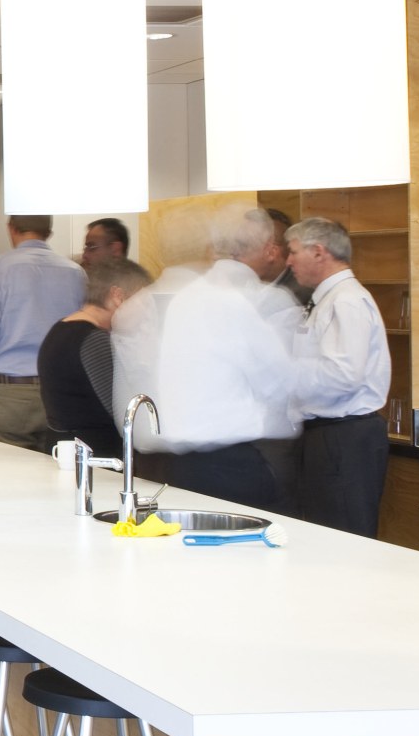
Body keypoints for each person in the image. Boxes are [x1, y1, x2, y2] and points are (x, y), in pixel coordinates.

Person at [116, 205, 305, 513]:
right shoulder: (234, 302)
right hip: (234, 463)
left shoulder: (177, 303)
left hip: (180, 464)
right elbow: (279, 382)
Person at [286, 217, 393, 536]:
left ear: (319, 252)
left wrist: (280, 373)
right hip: (330, 436)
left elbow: (342, 375)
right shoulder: (330, 299)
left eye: (293, 251)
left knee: (344, 536)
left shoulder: (346, 300)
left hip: (344, 436)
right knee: (325, 533)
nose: (288, 261)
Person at [0, 215, 86, 451]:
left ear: (11, 229)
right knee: (57, 478)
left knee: (6, 478)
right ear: (49, 231)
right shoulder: (75, 273)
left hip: (11, 393)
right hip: (62, 393)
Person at [39, 257, 152, 457]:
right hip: (94, 458)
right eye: (142, 301)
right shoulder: (93, 340)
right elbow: (121, 411)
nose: (145, 311)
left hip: (66, 451)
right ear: (118, 295)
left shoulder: (59, 329)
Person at [262, 208, 313, 308]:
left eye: (247, 246)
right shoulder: (246, 283)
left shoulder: (299, 296)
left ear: (272, 252)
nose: (237, 253)